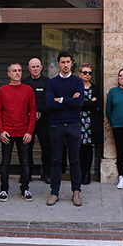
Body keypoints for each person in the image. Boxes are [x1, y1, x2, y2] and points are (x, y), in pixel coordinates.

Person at [45, 51, 85, 206]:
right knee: (55, 160)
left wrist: (60, 100)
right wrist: (69, 101)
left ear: (71, 63)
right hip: (56, 125)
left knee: (74, 160)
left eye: (68, 62)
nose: (65, 65)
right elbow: (49, 104)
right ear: (58, 64)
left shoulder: (77, 82)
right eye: (62, 62)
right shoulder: (52, 83)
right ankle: (54, 192)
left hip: (73, 124)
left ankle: (76, 192)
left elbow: (79, 103)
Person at [0, 62, 37, 202]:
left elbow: (32, 111)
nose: (17, 73)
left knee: (25, 162)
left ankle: (25, 189)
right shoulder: (2, 90)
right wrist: (1, 131)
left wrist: (30, 132)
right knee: (5, 162)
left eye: (19, 70)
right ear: (9, 74)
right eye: (14, 71)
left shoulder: (28, 90)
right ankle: (4, 190)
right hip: (7, 133)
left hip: (24, 132)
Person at [22, 57, 50, 184]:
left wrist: (40, 113)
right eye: (33, 67)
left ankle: (46, 174)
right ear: (29, 69)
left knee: (46, 147)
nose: (35, 69)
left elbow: (50, 101)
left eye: (37, 66)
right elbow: (21, 102)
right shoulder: (24, 83)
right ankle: (27, 174)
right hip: (27, 120)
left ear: (41, 67)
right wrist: (29, 113)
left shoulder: (47, 82)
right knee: (27, 148)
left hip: (43, 119)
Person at [78, 63, 103, 185]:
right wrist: (88, 102)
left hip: (90, 123)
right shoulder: (75, 88)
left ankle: (86, 173)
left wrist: (82, 102)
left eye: (89, 73)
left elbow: (96, 105)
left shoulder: (96, 88)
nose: (87, 75)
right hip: (77, 122)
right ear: (79, 74)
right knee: (77, 148)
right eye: (85, 73)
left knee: (88, 149)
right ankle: (78, 173)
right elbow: (73, 103)